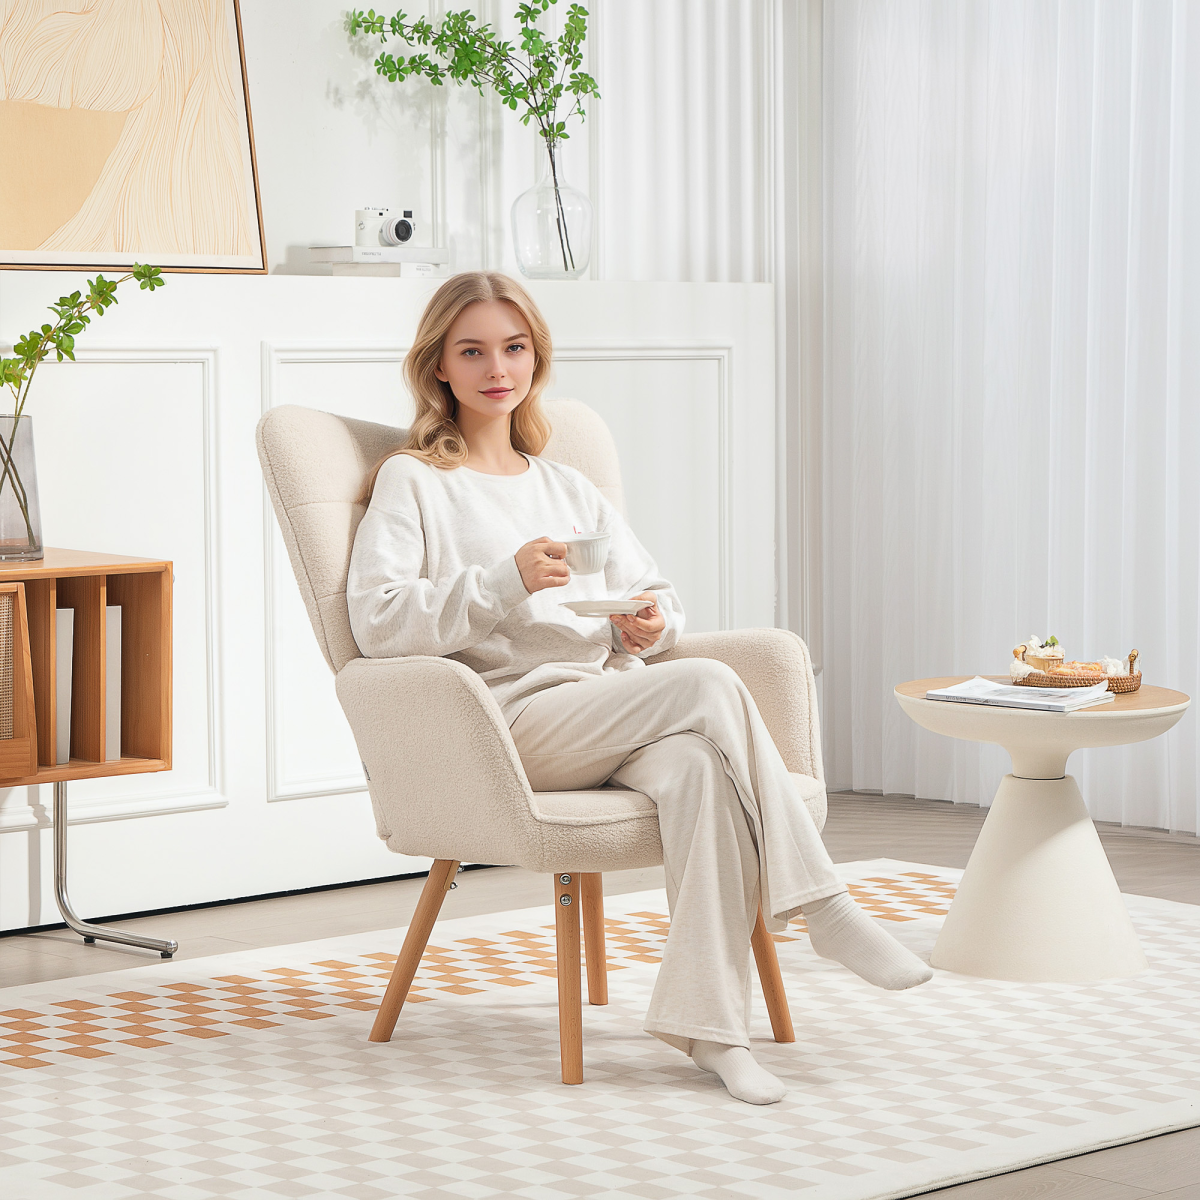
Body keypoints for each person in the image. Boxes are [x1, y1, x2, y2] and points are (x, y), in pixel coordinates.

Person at [347, 272, 932, 1105]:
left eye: (513, 347)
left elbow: (653, 590)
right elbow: (377, 624)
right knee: (707, 683)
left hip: (609, 704)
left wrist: (649, 623)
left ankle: (710, 1029)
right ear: (439, 365)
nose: (495, 367)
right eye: (471, 350)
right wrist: (503, 582)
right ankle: (821, 903)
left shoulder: (566, 486)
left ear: (534, 357)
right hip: (507, 724)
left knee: (700, 766)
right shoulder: (416, 480)